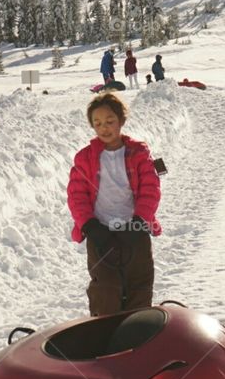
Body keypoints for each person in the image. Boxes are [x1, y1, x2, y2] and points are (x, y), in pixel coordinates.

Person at [67, 92, 161, 316]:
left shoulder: (138, 153)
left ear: (121, 121)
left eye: (110, 121)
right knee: (105, 288)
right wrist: (89, 225)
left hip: (135, 230)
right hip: (101, 232)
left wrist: (139, 221)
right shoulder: (85, 158)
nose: (104, 128)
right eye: (97, 123)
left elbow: (151, 190)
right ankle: (105, 336)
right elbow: (76, 195)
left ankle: (137, 335)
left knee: (139, 284)